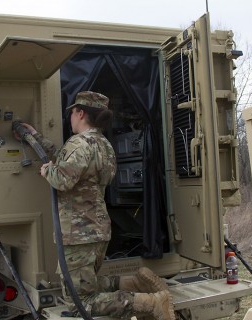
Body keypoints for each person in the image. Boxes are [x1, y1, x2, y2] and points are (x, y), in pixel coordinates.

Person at [15, 91, 174, 320]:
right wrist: (35, 137)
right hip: (98, 230)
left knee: (80, 301)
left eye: (72, 113)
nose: (70, 117)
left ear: (80, 113)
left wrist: (46, 170)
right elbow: (67, 160)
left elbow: (63, 179)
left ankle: (151, 303)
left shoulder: (79, 144)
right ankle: (133, 282)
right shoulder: (104, 145)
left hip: (79, 234)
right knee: (86, 283)